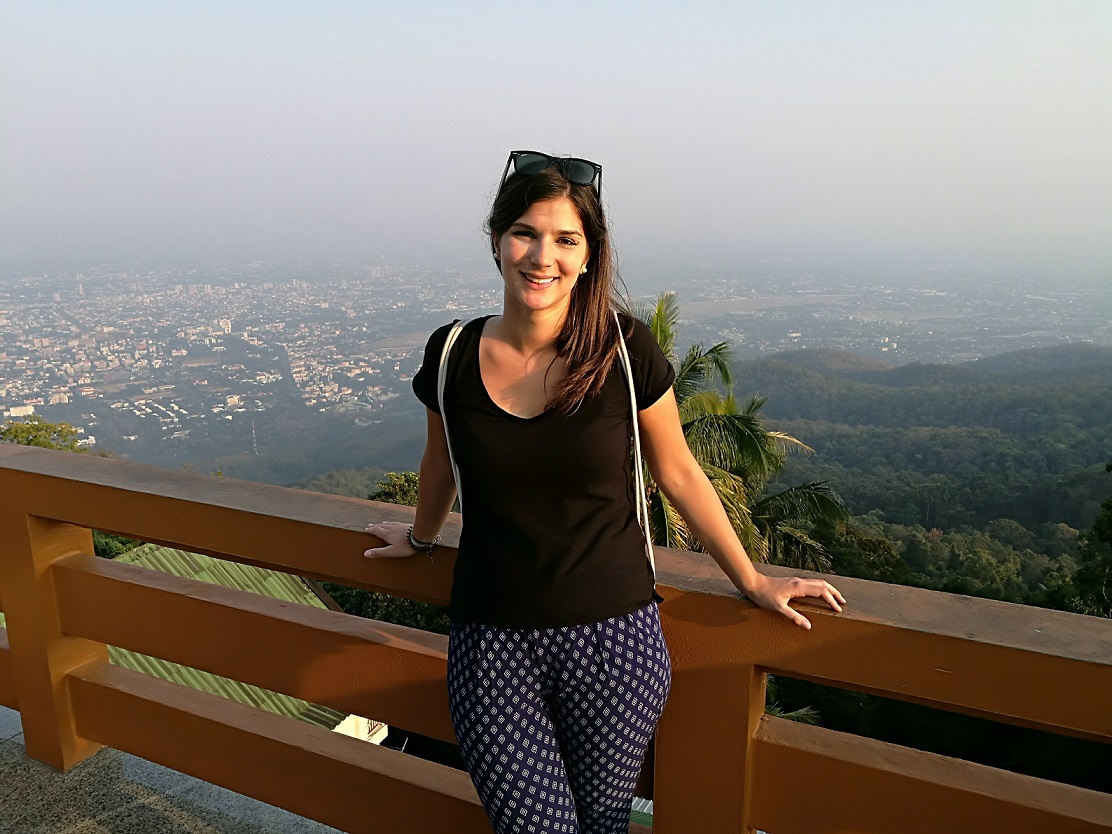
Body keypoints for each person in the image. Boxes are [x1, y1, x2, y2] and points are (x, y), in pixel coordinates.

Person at [364, 150, 845, 834]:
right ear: (497, 240)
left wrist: (752, 580)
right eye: (526, 233)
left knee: (604, 825)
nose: (543, 257)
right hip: (491, 643)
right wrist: (420, 537)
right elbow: (440, 462)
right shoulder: (451, 355)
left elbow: (679, 472)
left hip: (614, 642)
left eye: (566, 239)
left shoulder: (623, 350)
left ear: (590, 254)